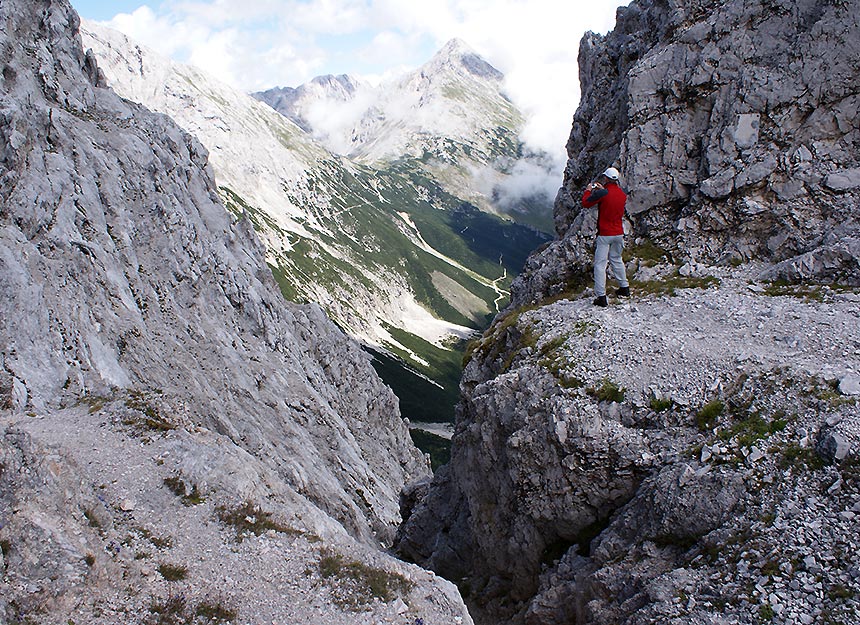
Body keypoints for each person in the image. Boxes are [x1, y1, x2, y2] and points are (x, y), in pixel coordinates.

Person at [581, 167, 630, 307]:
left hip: (605, 234)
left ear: (606, 178)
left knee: (600, 264)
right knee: (617, 259)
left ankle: (601, 297)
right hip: (619, 233)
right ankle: (624, 288)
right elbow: (611, 198)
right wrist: (603, 190)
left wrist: (589, 190)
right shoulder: (622, 194)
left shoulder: (603, 193)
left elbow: (586, 203)